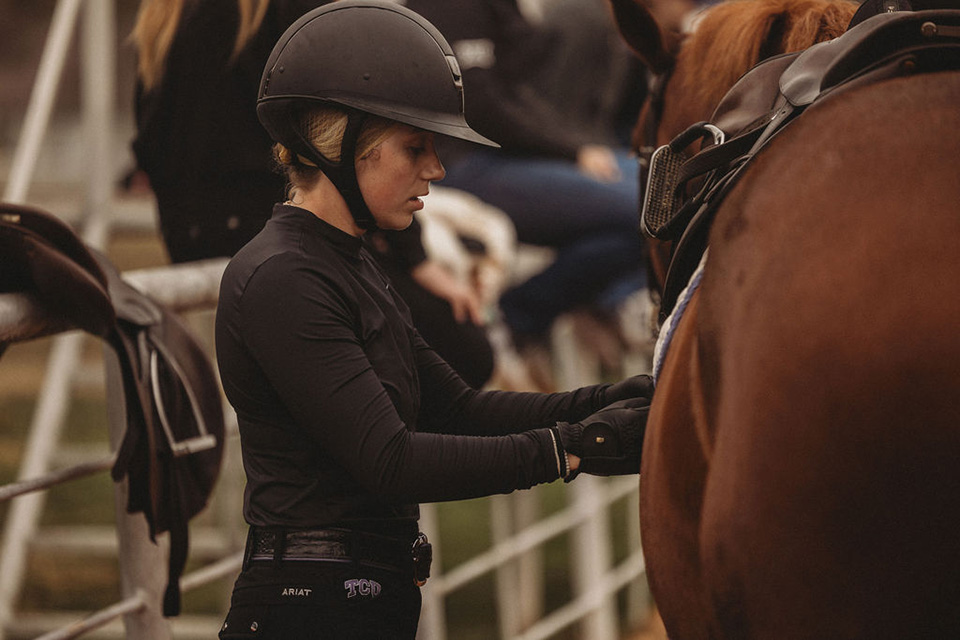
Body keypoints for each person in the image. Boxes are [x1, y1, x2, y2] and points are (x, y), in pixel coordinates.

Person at [214, 2, 653, 637]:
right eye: (414, 147)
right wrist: (570, 450)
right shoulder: (287, 277)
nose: (437, 170)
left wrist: (612, 403)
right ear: (340, 146)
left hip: (357, 600)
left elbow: (456, 410)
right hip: (306, 607)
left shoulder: (350, 264)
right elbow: (389, 460)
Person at [130, 0, 495, 387]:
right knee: (466, 355)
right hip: (280, 228)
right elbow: (344, 126)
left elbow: (146, 144)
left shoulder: (162, 13)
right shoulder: (281, 10)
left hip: (189, 240)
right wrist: (416, 257)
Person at [404, 0, 649, 351]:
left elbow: (523, 100)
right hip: (462, 162)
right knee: (641, 202)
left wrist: (586, 146)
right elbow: (480, 107)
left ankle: (584, 302)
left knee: (658, 190)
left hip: (517, 155)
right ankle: (519, 315)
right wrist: (574, 151)